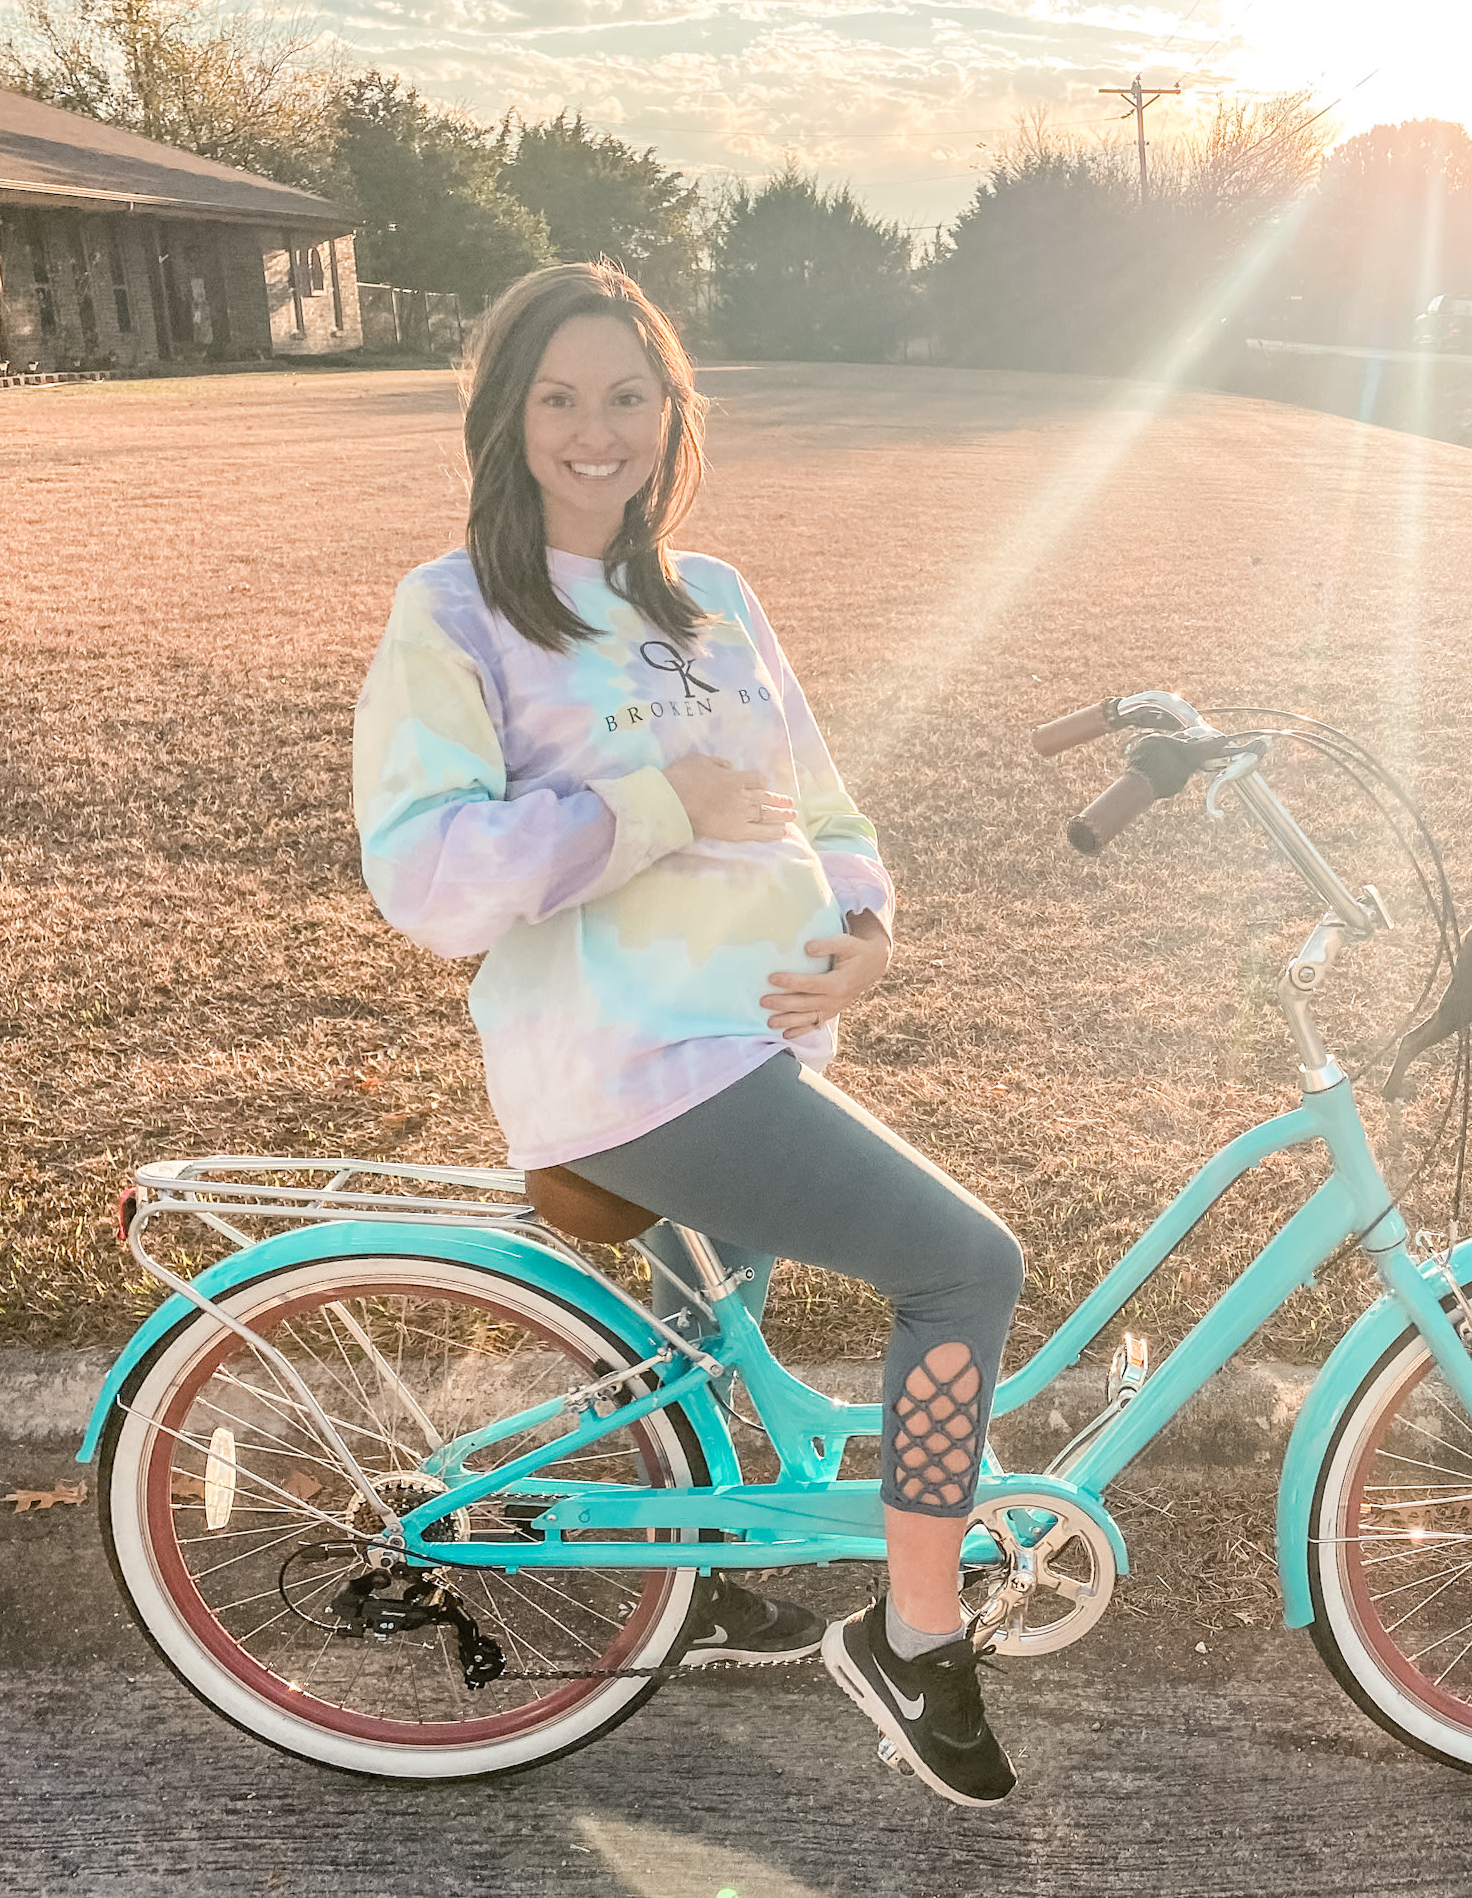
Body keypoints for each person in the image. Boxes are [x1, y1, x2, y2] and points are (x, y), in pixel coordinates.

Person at [350, 261, 1024, 1807]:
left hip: (755, 1034)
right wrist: (657, 809)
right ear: (505, 418)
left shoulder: (713, 593)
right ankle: (916, 1639)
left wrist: (865, 929)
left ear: (673, 413)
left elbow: (823, 796)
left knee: (700, 1351)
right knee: (959, 1266)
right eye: (559, 398)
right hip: (634, 1057)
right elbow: (432, 874)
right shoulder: (452, 611)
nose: (598, 432)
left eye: (629, 396)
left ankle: (696, 1567)